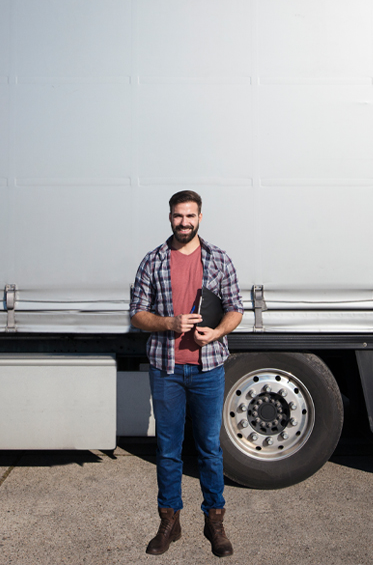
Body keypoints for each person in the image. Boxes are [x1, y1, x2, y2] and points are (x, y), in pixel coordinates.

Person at [130, 190, 243, 558]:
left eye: (190, 216)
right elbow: (137, 314)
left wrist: (217, 332)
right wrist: (169, 323)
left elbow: (236, 308)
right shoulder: (153, 261)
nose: (184, 222)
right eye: (178, 216)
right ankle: (169, 521)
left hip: (208, 369)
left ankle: (215, 522)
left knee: (209, 447)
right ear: (170, 217)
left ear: (200, 218)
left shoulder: (219, 259)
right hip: (167, 369)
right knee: (168, 449)